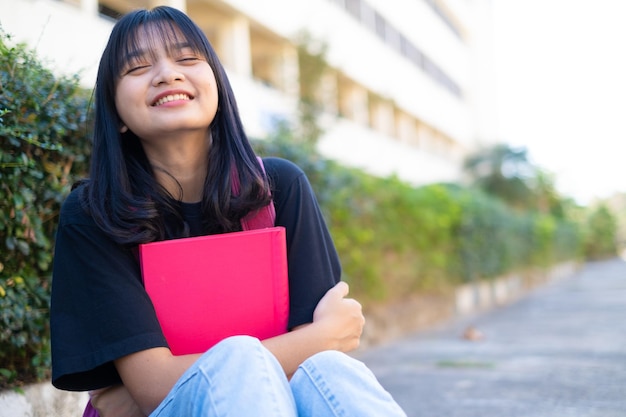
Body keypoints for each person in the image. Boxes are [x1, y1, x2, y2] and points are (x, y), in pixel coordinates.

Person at [50, 6, 407, 417]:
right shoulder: (96, 214)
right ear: (117, 113)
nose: (167, 73)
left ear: (217, 86)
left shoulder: (278, 188)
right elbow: (153, 389)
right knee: (241, 359)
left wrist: (318, 342)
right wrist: (317, 337)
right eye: (138, 67)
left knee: (332, 371)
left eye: (186, 59)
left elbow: (323, 355)